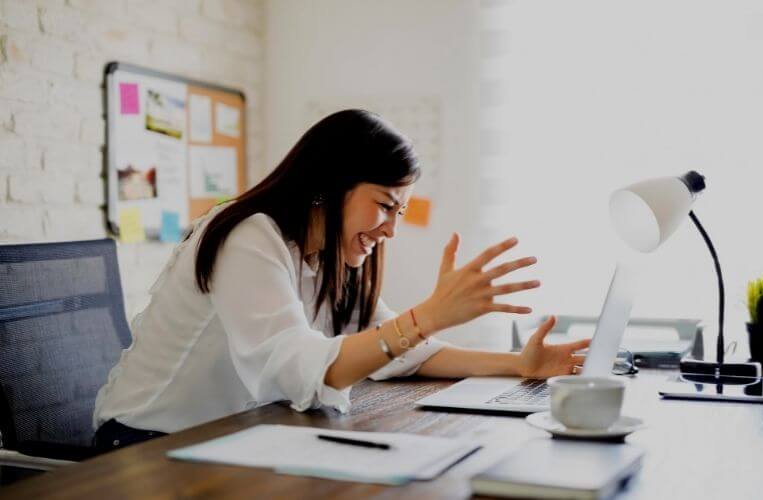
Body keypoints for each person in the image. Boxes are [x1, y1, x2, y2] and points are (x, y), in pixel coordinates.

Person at [93, 109, 589, 452]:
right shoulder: (249, 235)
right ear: (329, 186)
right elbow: (299, 368)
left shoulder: (333, 257)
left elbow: (403, 352)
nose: (391, 228)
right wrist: (431, 314)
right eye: (385, 205)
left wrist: (518, 364)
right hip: (146, 444)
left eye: (401, 211)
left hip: (237, 435)